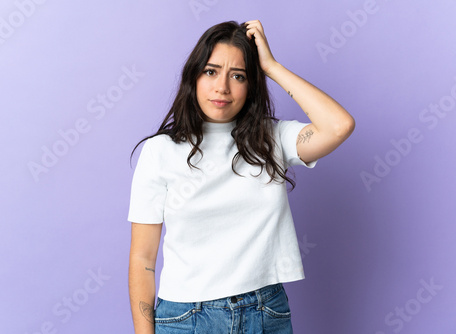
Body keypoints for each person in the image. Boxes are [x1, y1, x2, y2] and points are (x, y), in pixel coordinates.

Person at [127, 20, 355, 334]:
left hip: (265, 311)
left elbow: (338, 126)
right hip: (186, 318)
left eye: (238, 76)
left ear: (251, 86)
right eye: (211, 71)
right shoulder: (160, 152)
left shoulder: (272, 139)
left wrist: (271, 66)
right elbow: (142, 257)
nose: (222, 87)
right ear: (193, 76)